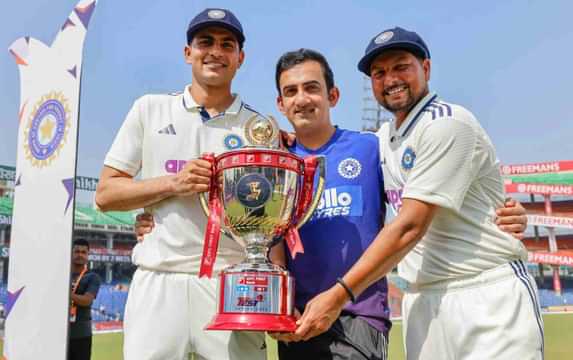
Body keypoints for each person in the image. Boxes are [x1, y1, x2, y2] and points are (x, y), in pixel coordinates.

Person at [135, 48, 528, 360]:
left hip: (357, 315)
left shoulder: (374, 147)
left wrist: (504, 210)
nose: (302, 99)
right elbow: (268, 233)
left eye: (311, 88)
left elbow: (436, 183)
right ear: (280, 103)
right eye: (291, 92)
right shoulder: (275, 163)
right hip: (298, 319)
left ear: (332, 95)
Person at [294, 27, 543, 360]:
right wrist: (289, 141)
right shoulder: (383, 140)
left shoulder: (447, 123)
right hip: (423, 301)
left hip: (486, 293)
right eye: (379, 73)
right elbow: (337, 152)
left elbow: (410, 225)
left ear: (425, 68)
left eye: (401, 66)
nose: (390, 78)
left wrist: (339, 295)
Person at [95, 8, 269, 360]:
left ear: (240, 58)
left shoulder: (260, 128)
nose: (215, 51)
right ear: (188, 52)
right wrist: (174, 183)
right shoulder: (150, 109)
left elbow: (269, 219)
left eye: (227, 44)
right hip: (159, 278)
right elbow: (106, 194)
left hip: (229, 283)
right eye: (205, 42)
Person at [69, 238, 101, 360]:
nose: (80, 255)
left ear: (88, 255)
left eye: (83, 252)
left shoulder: (93, 277)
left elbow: (87, 300)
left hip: (81, 335)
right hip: (59, 333)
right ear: (71, 253)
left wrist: (65, 294)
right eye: (77, 251)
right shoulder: (62, 274)